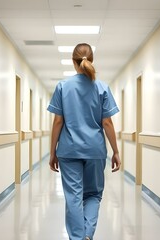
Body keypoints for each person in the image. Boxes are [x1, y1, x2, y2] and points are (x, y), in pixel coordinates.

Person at [47, 43, 121, 240]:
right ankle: (88, 234)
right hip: (95, 151)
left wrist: (52, 151)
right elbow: (107, 122)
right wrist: (116, 151)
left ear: (73, 62)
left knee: (73, 197)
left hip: (68, 151)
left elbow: (58, 121)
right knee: (93, 195)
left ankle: (78, 238)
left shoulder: (63, 87)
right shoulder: (102, 88)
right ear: (92, 60)